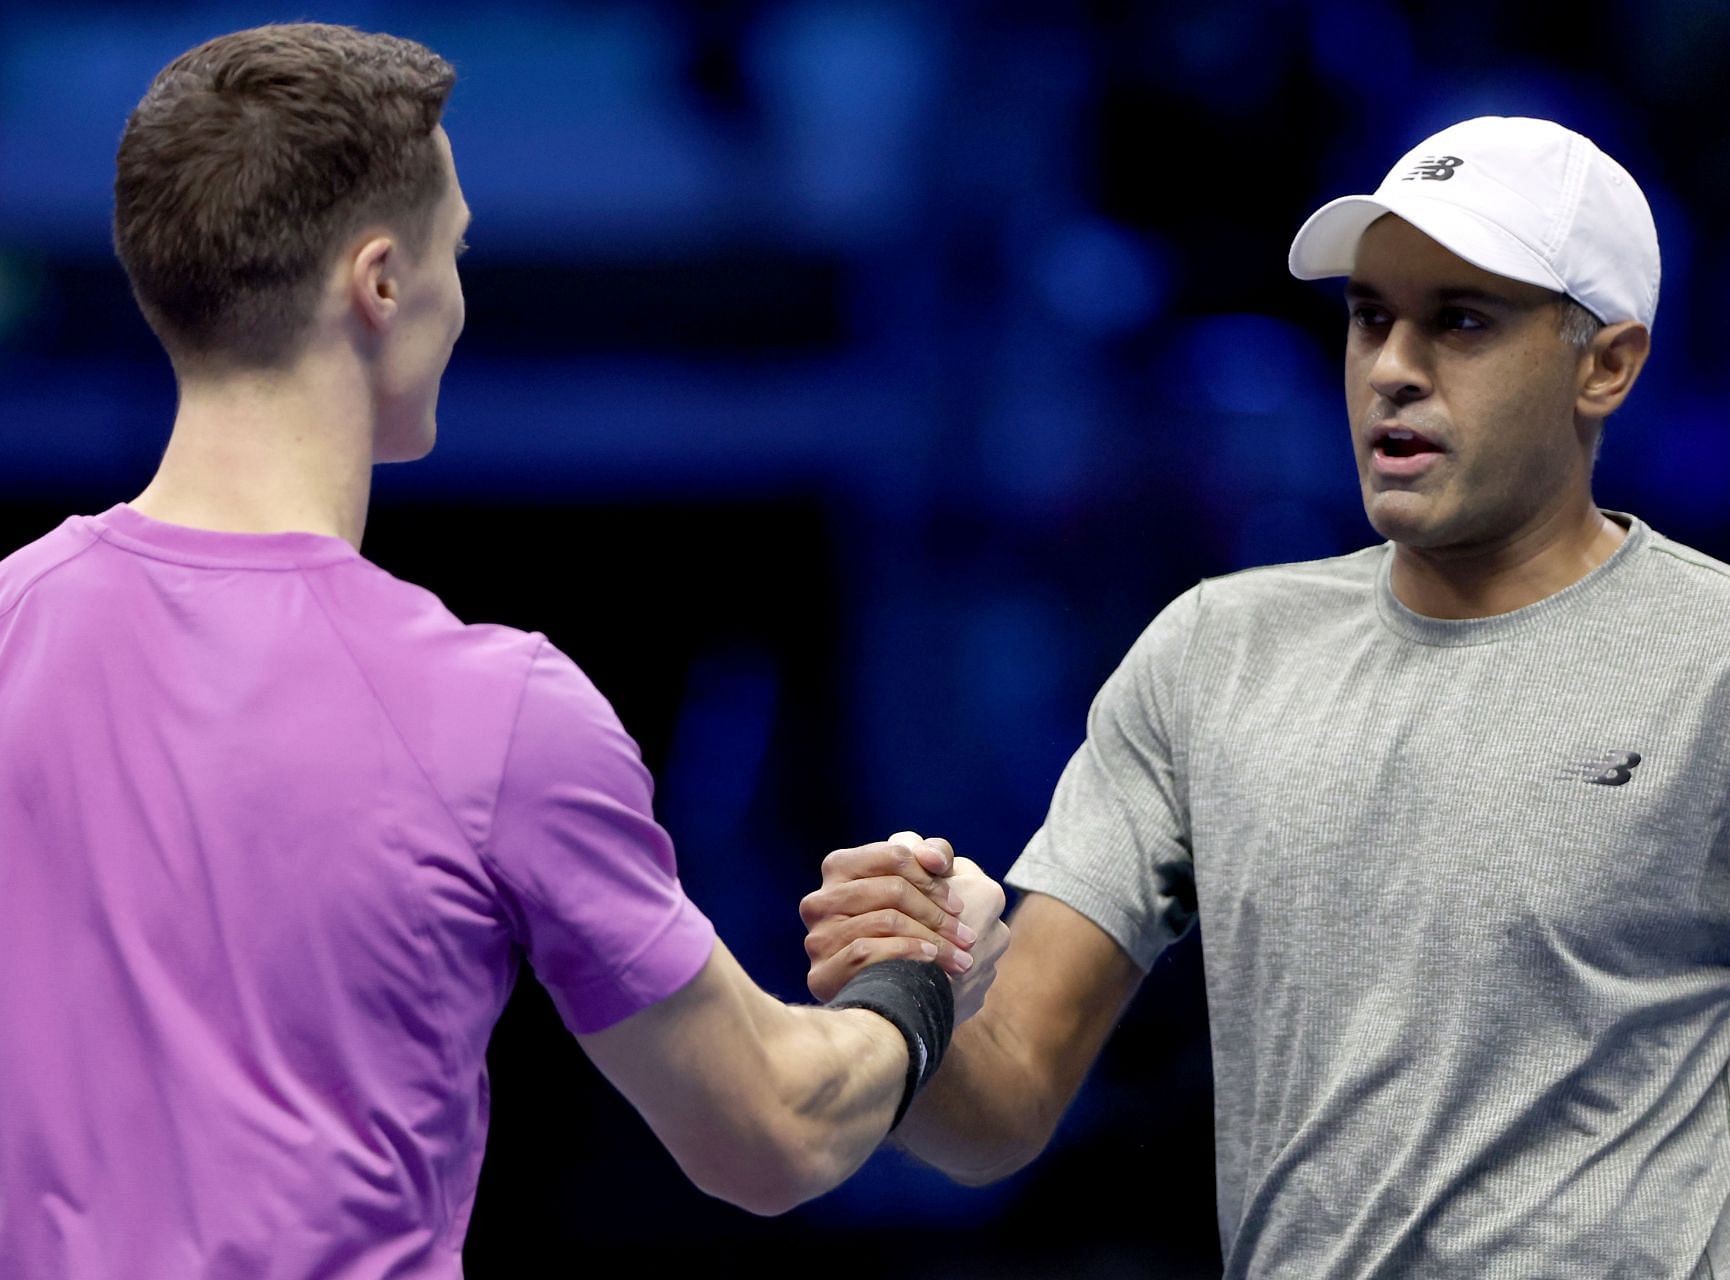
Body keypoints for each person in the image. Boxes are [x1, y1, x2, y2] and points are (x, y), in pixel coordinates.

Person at [800, 115, 1730, 1276]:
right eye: (1371, 316)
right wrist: (909, 995)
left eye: (1461, 321)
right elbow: (1005, 1104)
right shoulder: (1208, 655)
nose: (1392, 365)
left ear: (1608, 364)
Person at [0, 22, 1009, 1278]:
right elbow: (772, 1128)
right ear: (379, 283)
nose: (461, 297)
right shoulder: (498, 713)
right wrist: (919, 986)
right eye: (454, 253)